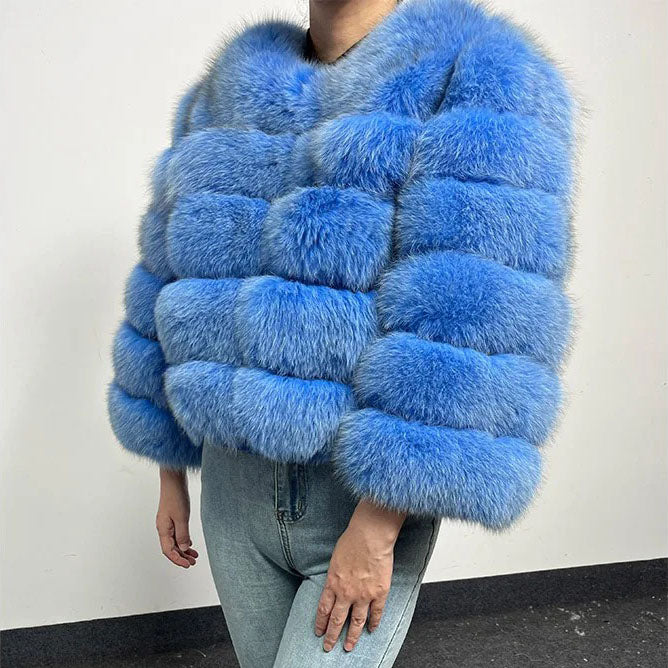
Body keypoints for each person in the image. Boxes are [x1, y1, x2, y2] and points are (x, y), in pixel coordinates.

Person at [106, 0, 575, 665]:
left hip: (355, 494)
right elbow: (163, 275)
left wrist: (379, 527)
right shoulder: (225, 92)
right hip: (232, 486)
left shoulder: (478, 73)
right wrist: (169, 468)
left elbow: (472, 314)